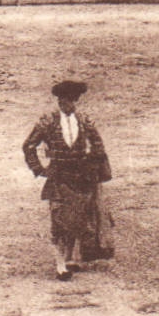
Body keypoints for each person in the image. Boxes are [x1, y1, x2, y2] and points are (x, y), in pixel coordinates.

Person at [22, 79, 113, 281]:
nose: (68, 104)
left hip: (80, 177)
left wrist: (92, 166)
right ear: (59, 101)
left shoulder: (84, 120)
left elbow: (98, 145)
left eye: (72, 101)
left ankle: (69, 258)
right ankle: (60, 264)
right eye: (65, 100)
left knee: (76, 219)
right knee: (58, 219)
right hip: (58, 175)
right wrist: (39, 169)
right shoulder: (47, 122)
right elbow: (28, 146)